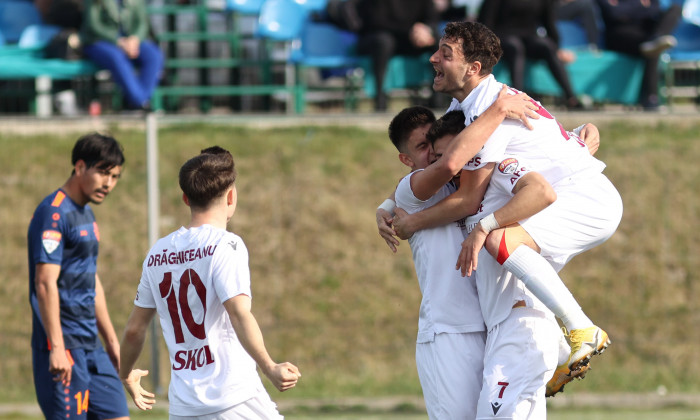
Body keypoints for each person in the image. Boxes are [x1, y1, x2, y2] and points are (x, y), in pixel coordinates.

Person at [392, 21, 622, 374]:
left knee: (497, 238)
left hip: (584, 202)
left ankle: (581, 330)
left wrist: (413, 222)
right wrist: (389, 205)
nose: (434, 58)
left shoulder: (492, 110)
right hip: (577, 194)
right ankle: (561, 350)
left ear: (474, 69)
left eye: (445, 54)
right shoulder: (472, 109)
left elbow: (466, 195)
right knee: (508, 263)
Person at [381, 91, 538, 418]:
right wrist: (497, 110)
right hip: (447, 333)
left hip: (489, 327)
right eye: (422, 148)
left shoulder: (465, 181)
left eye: (434, 142)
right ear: (406, 160)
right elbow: (443, 168)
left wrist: (585, 133)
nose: (435, 153)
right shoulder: (410, 190)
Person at [119, 146, 301, 417]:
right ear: (231, 196)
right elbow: (239, 314)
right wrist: (269, 366)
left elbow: (134, 330)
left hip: (184, 408)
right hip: (234, 401)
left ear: (185, 198)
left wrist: (125, 374)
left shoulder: (157, 253)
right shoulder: (226, 245)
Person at [27, 133, 129, 420]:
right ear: (80, 166)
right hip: (64, 346)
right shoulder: (53, 213)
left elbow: (91, 281)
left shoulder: (86, 215)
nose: (109, 184)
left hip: (92, 346)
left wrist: (112, 343)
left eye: (115, 176)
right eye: (103, 173)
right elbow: (45, 284)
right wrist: (57, 348)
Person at [478, 0, 584, 109]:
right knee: (516, 47)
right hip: (502, 36)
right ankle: (518, 97)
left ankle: (571, 98)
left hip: (529, 36)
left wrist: (557, 48)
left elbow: (549, 23)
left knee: (547, 47)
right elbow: (485, 22)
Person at [353, 0, 440, 111]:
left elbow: (432, 18)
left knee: (436, 39)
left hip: (411, 39)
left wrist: (426, 29)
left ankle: (438, 100)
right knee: (384, 41)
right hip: (376, 37)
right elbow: (376, 21)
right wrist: (411, 31)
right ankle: (380, 101)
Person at [595, 0, 682, 110]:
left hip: (645, 32)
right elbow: (614, 13)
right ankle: (651, 98)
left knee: (675, 9)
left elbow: (655, 9)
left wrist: (631, 11)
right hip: (619, 34)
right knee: (652, 46)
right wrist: (641, 7)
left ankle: (657, 37)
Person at [81, 0, 163, 110]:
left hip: (130, 41)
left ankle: (139, 101)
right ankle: (139, 101)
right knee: (117, 58)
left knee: (154, 55)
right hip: (99, 41)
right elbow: (94, 25)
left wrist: (135, 39)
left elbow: (142, 23)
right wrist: (118, 41)